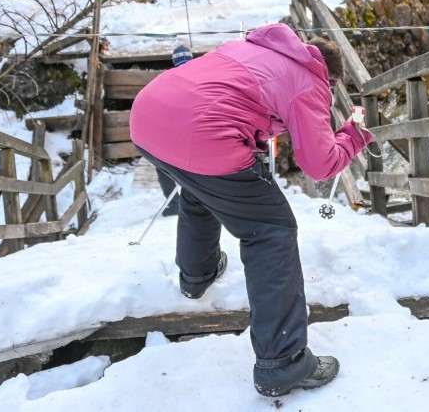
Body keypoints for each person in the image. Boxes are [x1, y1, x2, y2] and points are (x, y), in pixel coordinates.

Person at [129, 23, 372, 397]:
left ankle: (197, 277)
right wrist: (351, 136)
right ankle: (283, 364)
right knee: (271, 230)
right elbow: (319, 164)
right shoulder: (310, 82)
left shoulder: (250, 48)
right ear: (331, 74)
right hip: (203, 134)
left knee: (201, 187)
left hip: (148, 118)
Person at [156, 45, 194, 217]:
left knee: (163, 166)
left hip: (174, 132)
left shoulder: (167, 79)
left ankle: (174, 204)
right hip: (196, 130)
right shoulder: (201, 74)